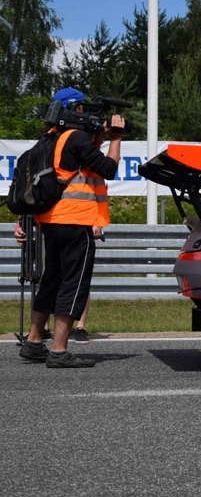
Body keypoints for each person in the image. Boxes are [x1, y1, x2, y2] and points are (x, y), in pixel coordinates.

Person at [18, 87, 123, 368]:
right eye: (82, 109)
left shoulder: (51, 138)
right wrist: (116, 139)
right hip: (76, 220)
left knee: (51, 280)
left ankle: (34, 342)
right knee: (72, 284)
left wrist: (98, 138)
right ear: (75, 110)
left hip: (51, 221)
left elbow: (81, 164)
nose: (86, 114)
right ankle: (59, 349)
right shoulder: (75, 137)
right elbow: (108, 168)